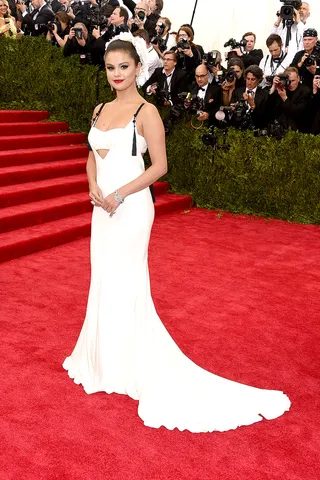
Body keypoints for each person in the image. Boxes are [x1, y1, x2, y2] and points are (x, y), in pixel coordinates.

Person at [62, 32, 290, 433]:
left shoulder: (146, 111)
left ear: (137, 68)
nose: (117, 74)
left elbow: (159, 167)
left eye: (124, 67)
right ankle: (104, 359)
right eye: (111, 68)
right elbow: (90, 154)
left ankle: (130, 365)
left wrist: (117, 193)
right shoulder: (99, 109)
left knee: (127, 281)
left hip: (131, 207)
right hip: (102, 207)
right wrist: (92, 185)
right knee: (103, 279)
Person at [268, 66, 312, 133]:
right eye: (288, 81)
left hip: (298, 130)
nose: (290, 84)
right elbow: (269, 108)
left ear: (298, 78)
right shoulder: (282, 88)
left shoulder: (305, 91)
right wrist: (273, 87)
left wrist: (285, 98)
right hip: (280, 128)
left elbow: (298, 112)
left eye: (293, 81)